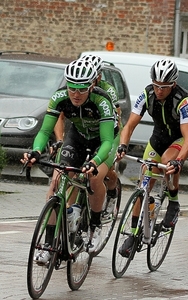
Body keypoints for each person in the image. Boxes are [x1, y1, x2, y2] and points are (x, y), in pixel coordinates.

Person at [21, 59, 119, 261]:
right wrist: (36, 151)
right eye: (72, 88)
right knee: (57, 183)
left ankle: (95, 226)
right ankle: (48, 244)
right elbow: (44, 131)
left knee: (94, 178)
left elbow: (108, 141)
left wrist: (94, 161)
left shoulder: (102, 100)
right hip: (78, 137)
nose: (75, 94)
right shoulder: (59, 97)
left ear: (92, 85)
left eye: (81, 89)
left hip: (104, 141)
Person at [116, 58, 188, 257]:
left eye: (164, 87)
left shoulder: (183, 101)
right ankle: (133, 233)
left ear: (173, 84)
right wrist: (123, 146)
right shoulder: (147, 94)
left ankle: (174, 202)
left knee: (168, 162)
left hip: (179, 139)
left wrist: (179, 162)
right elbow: (129, 125)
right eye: (156, 85)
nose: (159, 90)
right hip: (157, 139)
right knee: (143, 185)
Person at [52, 54, 122, 218]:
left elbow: (116, 116)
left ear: (97, 75)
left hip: (106, 132)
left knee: (102, 173)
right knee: (72, 172)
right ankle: (72, 211)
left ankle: (112, 192)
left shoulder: (107, 91)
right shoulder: (74, 90)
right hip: (82, 133)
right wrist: (60, 140)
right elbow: (59, 116)